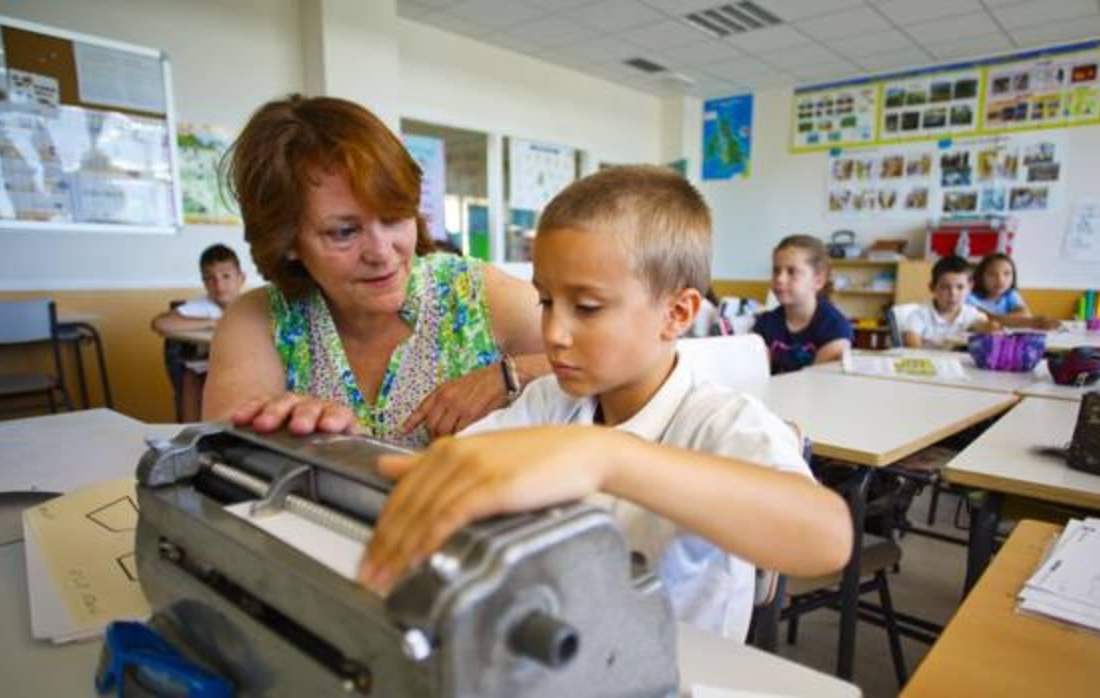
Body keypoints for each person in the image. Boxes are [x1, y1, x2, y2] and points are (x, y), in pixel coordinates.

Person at [357, 166, 852, 643]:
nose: (553, 333)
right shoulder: (549, 399)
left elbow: (827, 538)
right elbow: (451, 473)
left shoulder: (718, 422)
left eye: (587, 307)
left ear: (676, 313)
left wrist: (609, 458)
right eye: (546, 301)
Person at [202, 95, 545, 448]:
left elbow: (604, 368)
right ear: (287, 240)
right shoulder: (260, 320)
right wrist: (296, 434)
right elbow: (224, 455)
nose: (382, 253)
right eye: (344, 232)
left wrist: (512, 374)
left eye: (394, 216)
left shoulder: (475, 295)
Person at [150, 243, 246, 421]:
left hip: (245, 367)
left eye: (226, 276)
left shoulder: (251, 305)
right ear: (204, 282)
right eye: (210, 278)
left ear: (241, 278)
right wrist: (212, 323)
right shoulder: (201, 306)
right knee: (191, 374)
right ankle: (195, 433)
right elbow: (161, 324)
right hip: (206, 369)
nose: (219, 284)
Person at [752, 235, 853, 373]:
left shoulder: (835, 326)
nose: (780, 279)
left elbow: (817, 381)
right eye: (776, 271)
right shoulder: (765, 323)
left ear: (818, 281)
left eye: (792, 272)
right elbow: (758, 376)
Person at [903, 255, 1001, 348]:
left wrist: (991, 328)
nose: (953, 294)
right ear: (932, 288)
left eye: (960, 287)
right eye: (945, 287)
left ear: (970, 287)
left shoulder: (971, 313)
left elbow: (986, 327)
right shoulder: (920, 315)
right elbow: (912, 345)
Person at [967, 253, 1058, 330]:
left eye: (1007, 274)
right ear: (980, 276)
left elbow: (1025, 314)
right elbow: (988, 318)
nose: (1000, 280)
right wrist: (1031, 322)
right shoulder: (969, 297)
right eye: (992, 274)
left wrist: (1025, 321)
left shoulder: (1011, 294)